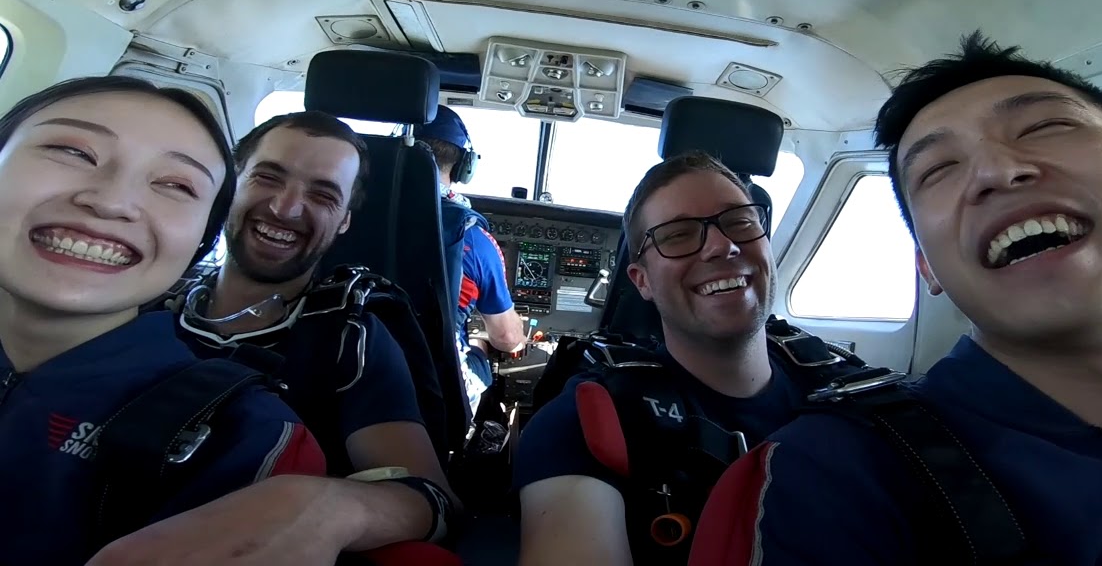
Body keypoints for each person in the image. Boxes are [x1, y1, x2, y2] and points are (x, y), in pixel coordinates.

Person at [688, 31, 1102, 565]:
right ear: (928, 267)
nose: (998, 170)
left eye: (1046, 127)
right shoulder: (829, 477)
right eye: (940, 169)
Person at [0, 76, 327, 566]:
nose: (111, 202)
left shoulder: (244, 437)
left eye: (175, 185)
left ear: (201, 240)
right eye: (72, 152)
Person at [113, 110, 458, 563]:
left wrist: (326, 508)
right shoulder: (137, 297)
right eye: (268, 177)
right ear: (229, 183)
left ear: (345, 222)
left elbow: (431, 498)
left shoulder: (348, 338)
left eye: (322, 194)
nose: (285, 207)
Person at [515, 151, 826, 566]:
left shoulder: (842, 389)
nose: (722, 245)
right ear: (641, 281)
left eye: (740, 222)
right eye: (678, 234)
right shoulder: (588, 422)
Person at [414, 106, 524, 417]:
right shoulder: (471, 237)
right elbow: (508, 339)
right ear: (464, 166)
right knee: (480, 349)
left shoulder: (347, 215)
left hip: (352, 364)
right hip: (434, 388)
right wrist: (478, 338)